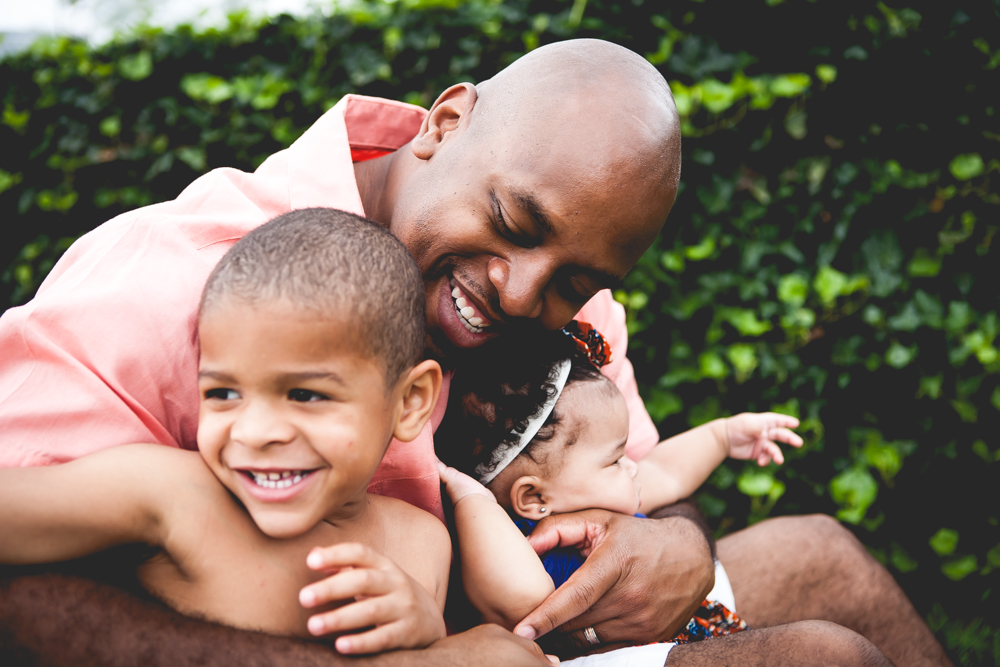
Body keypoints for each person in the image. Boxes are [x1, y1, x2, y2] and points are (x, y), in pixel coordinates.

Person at [0, 39, 953, 667]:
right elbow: (21, 596)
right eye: (512, 221)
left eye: (578, 277)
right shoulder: (179, 283)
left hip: (531, 631)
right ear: (443, 122)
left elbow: (638, 473)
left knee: (827, 559)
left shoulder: (568, 302)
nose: (523, 292)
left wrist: (677, 544)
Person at [0, 208, 451, 654]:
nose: (253, 433)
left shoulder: (424, 543)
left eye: (305, 395)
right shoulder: (172, 495)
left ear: (410, 401)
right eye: (222, 393)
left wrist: (428, 629)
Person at [436, 328, 800, 660]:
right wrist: (473, 499)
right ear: (533, 498)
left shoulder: (609, 501)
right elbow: (521, 597)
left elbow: (666, 472)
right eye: (614, 460)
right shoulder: (518, 547)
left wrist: (721, 436)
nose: (632, 467)